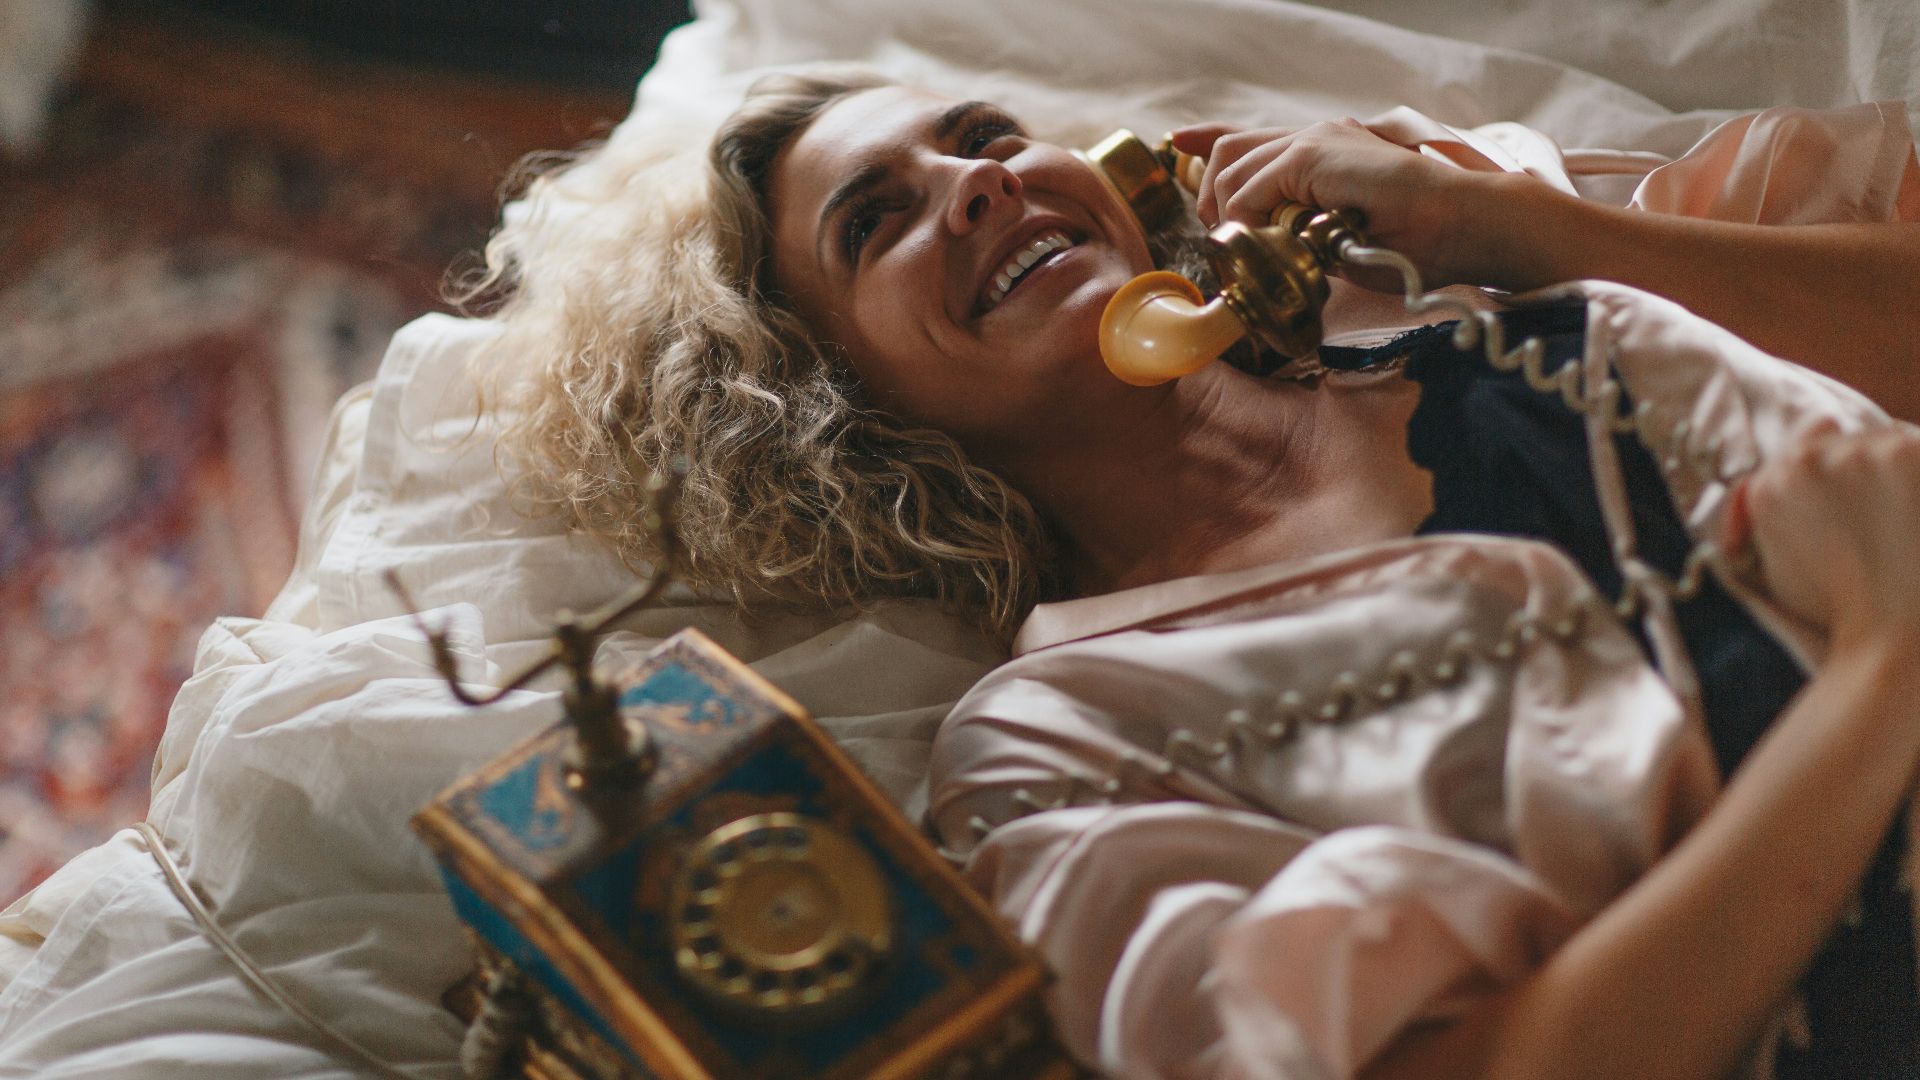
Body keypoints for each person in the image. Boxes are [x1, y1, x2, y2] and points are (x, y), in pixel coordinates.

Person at [497, 68, 1920, 1079]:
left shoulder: (1433, 256)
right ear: (827, 405)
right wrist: (1876, 677)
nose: (979, 180)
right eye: (877, 220)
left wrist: (1521, 230)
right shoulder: (1057, 750)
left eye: (982, 137)